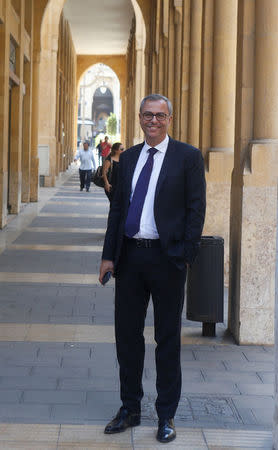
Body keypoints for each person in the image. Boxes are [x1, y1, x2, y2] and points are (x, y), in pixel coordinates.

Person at [99, 94, 206, 443]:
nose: (154, 121)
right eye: (148, 115)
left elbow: (196, 210)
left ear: (170, 119)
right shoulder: (128, 158)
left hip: (167, 259)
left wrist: (185, 255)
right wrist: (108, 256)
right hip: (130, 257)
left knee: (167, 339)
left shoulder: (187, 157)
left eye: (160, 115)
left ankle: (166, 415)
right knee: (127, 337)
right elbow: (116, 211)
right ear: (140, 118)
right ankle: (130, 408)